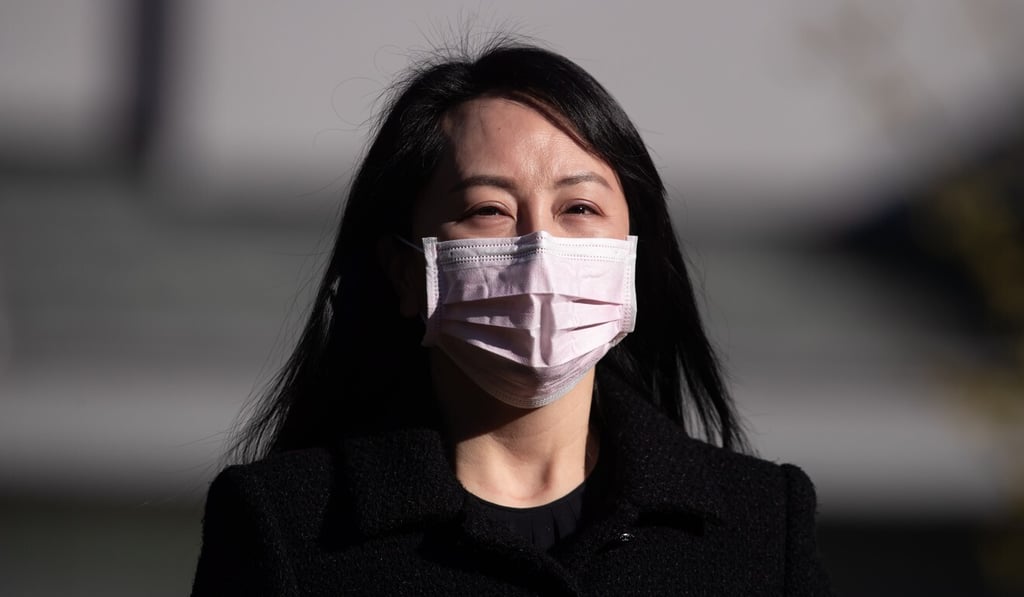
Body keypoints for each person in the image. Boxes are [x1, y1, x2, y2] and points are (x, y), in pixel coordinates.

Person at [191, 39, 833, 596]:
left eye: (579, 208)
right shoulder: (287, 526)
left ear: (634, 252)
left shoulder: (761, 524)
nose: (540, 250)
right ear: (403, 269)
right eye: (489, 211)